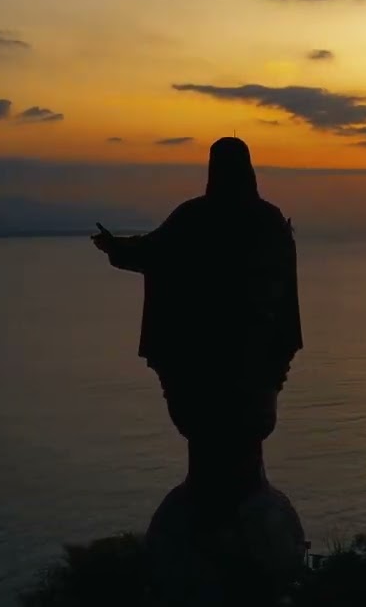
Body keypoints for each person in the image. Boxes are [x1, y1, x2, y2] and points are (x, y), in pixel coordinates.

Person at [91, 137, 302, 518]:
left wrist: (114, 248)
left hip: (199, 360)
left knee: (212, 430)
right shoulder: (268, 219)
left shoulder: (193, 217)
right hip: (254, 358)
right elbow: (282, 283)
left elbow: (153, 253)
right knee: (239, 429)